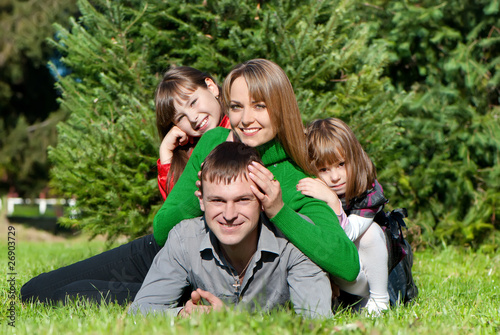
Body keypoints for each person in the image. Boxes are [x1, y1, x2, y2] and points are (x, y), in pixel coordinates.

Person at [21, 66, 230, 305]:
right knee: (34, 291)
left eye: (193, 102)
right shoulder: (191, 147)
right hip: (159, 250)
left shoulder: (239, 134)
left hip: (193, 264)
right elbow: (174, 211)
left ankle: (163, 297)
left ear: (211, 86)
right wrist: (166, 156)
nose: (192, 117)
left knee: (71, 295)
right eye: (181, 117)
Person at [152, 59, 360, 282]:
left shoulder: (296, 177)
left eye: (259, 106)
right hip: (171, 262)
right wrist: (203, 194)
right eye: (236, 107)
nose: (245, 119)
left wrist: (279, 211)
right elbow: (161, 230)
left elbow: (348, 264)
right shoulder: (212, 141)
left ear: (281, 107)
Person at [129, 141, 333, 318]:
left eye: (243, 200)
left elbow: (317, 320)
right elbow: (139, 311)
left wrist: (232, 320)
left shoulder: (294, 239)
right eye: (217, 200)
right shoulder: (185, 238)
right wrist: (183, 315)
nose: (229, 214)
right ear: (201, 201)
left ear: (262, 200)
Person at [297, 117, 389, 315]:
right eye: (324, 169)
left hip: (373, 269)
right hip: (341, 268)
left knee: (370, 233)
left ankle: (380, 299)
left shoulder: (367, 190)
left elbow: (349, 234)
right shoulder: (313, 190)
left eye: (341, 164)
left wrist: (332, 201)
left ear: (354, 158)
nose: (335, 176)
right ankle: (345, 301)